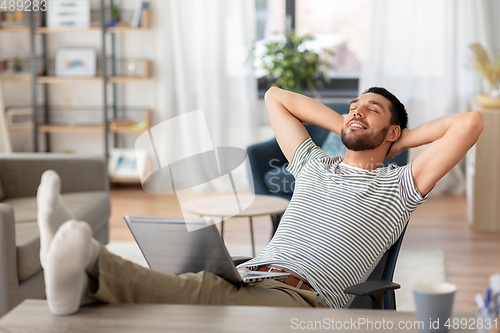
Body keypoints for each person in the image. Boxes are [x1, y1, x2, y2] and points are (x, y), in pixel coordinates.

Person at [37, 86, 484, 315]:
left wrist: (396, 143)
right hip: (247, 274)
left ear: (393, 132)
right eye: (353, 105)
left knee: (196, 296)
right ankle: (77, 280)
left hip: (300, 298)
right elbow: (276, 98)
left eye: (371, 110)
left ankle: (88, 262)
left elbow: (469, 122)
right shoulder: (314, 164)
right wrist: (352, 124)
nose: (355, 111)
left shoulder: (399, 186)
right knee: (188, 290)